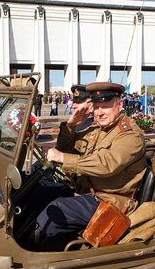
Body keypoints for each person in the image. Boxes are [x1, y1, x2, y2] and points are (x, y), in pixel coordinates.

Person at [30, 82, 146, 249]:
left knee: (56, 211)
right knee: (38, 194)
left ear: (119, 104)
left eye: (105, 107)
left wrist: (62, 157)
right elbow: (65, 148)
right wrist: (71, 125)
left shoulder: (130, 135)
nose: (100, 112)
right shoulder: (99, 129)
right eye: (97, 107)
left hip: (110, 201)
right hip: (87, 192)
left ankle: (38, 253)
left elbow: (105, 164)